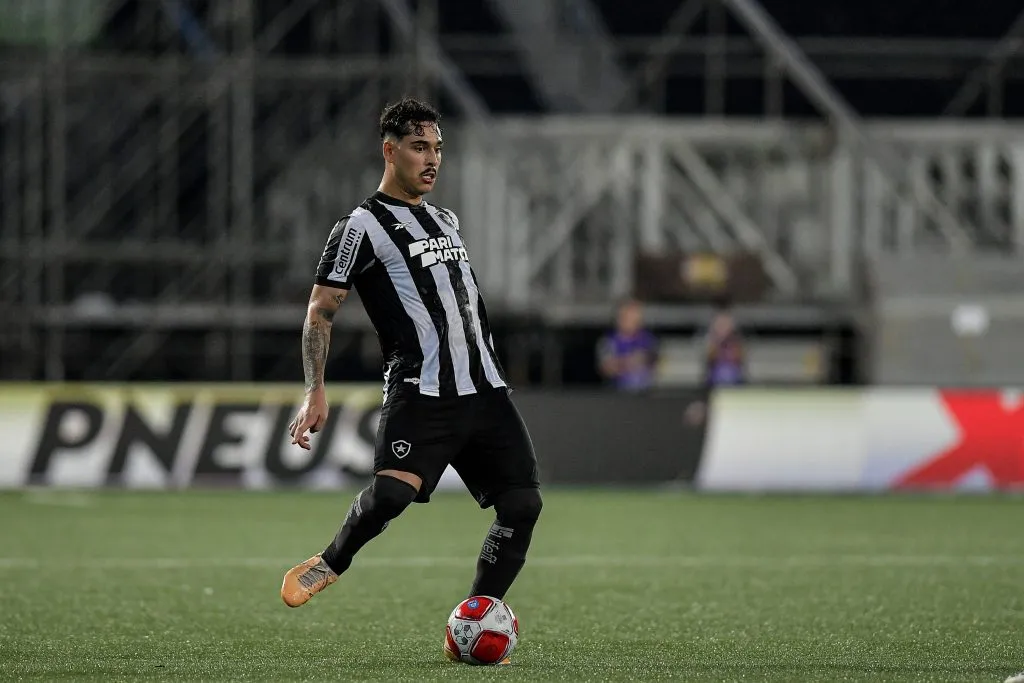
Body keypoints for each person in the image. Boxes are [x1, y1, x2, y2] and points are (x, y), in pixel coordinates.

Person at [280, 98, 542, 665]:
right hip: (423, 391)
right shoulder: (359, 227)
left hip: (485, 390)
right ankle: (331, 561)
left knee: (523, 504)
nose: (432, 160)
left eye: (438, 149)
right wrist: (314, 388)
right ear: (390, 150)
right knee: (393, 494)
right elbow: (320, 310)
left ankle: (475, 614)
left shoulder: (446, 220)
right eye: (420, 147)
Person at [597, 298, 659, 392]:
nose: (630, 320)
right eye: (626, 317)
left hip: (645, 393)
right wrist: (630, 362)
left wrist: (644, 360)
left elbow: (656, 362)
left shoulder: (648, 339)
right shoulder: (609, 341)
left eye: (634, 317)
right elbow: (606, 369)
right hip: (618, 393)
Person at [702, 304, 746, 386]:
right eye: (720, 324)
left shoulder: (736, 342)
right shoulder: (711, 341)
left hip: (734, 379)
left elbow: (739, 358)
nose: (723, 327)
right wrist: (717, 342)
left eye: (725, 324)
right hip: (715, 380)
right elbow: (709, 358)